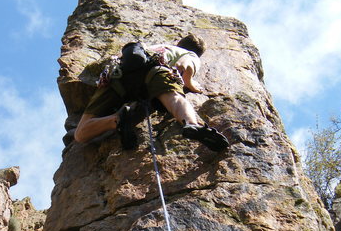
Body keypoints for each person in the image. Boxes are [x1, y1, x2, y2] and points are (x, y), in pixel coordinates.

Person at [74, 33, 229, 152]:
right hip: (154, 72)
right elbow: (186, 65)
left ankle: (116, 119)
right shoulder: (189, 53)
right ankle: (191, 124)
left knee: (81, 134)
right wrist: (190, 84)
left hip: (118, 76)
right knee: (173, 97)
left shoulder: (155, 47)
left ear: (179, 42)